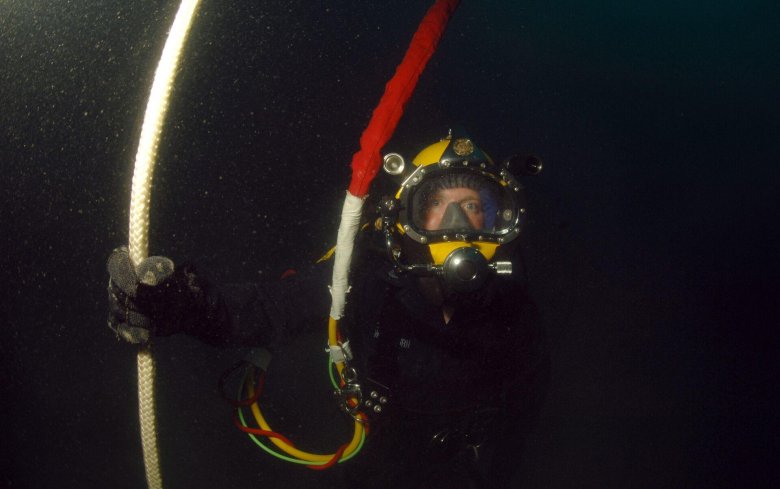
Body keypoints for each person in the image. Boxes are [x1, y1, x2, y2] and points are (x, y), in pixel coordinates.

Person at [107, 130, 549, 489]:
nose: (457, 220)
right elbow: (271, 308)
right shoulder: (366, 281)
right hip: (378, 466)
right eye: (435, 204)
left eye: (473, 206)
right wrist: (185, 304)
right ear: (406, 219)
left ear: (498, 219)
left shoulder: (515, 312)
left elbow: (524, 415)